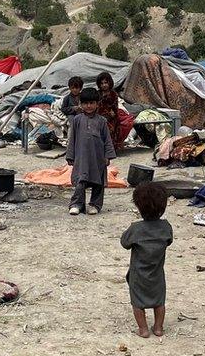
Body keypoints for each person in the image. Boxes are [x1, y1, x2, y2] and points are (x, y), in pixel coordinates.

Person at [121, 182, 173, 338]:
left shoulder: (135, 229)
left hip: (138, 275)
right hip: (157, 273)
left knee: (137, 303)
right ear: (163, 207)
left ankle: (143, 329)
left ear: (139, 207)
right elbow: (169, 241)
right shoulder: (166, 227)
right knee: (159, 302)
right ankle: (158, 328)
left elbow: (124, 243)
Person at [65, 87, 116, 215]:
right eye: (86, 103)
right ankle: (77, 204)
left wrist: (108, 156)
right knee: (80, 181)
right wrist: (70, 155)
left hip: (98, 158)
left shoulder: (102, 121)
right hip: (81, 158)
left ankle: (95, 205)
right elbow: (72, 139)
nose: (89, 106)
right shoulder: (77, 120)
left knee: (98, 182)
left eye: (92, 103)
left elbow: (107, 140)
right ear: (81, 104)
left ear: (97, 104)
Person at [96, 72, 133, 151]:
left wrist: (108, 116)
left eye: (106, 82)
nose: (104, 85)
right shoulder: (97, 94)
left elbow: (114, 110)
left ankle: (109, 149)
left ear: (109, 82)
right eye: (101, 83)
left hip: (111, 117)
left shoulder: (113, 94)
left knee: (110, 128)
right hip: (98, 116)